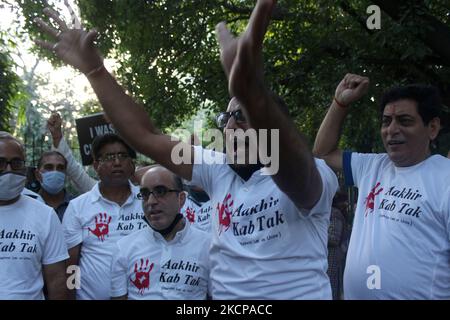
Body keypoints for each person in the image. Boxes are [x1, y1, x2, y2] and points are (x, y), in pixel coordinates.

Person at [34, 0, 338, 299]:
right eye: (227, 118)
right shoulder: (218, 169)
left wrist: (253, 95)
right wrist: (96, 71)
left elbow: (292, 168)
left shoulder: (312, 173)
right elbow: (144, 135)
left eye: (243, 116)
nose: (231, 127)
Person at [313, 73, 450, 299]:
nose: (391, 130)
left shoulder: (444, 178)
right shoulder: (372, 166)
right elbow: (323, 153)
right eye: (386, 121)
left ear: (432, 128)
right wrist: (340, 103)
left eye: (405, 121)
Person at [62, 133, 147, 299]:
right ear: (96, 165)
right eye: (109, 157)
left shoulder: (148, 201)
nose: (117, 162)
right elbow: (70, 266)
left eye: (123, 156)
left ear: (132, 164)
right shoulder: (78, 207)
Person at [110, 165, 210, 299]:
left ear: (181, 199)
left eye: (161, 191)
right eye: (145, 194)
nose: (151, 201)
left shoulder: (208, 246)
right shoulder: (124, 248)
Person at [0, 132, 69, 299]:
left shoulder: (45, 215)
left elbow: (58, 280)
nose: (8, 170)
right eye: (0, 163)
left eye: (16, 163)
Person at [35, 151, 74, 222]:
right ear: (37, 175)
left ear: (65, 174)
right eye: (49, 167)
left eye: (60, 168)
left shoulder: (77, 205)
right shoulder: (31, 205)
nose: (55, 172)